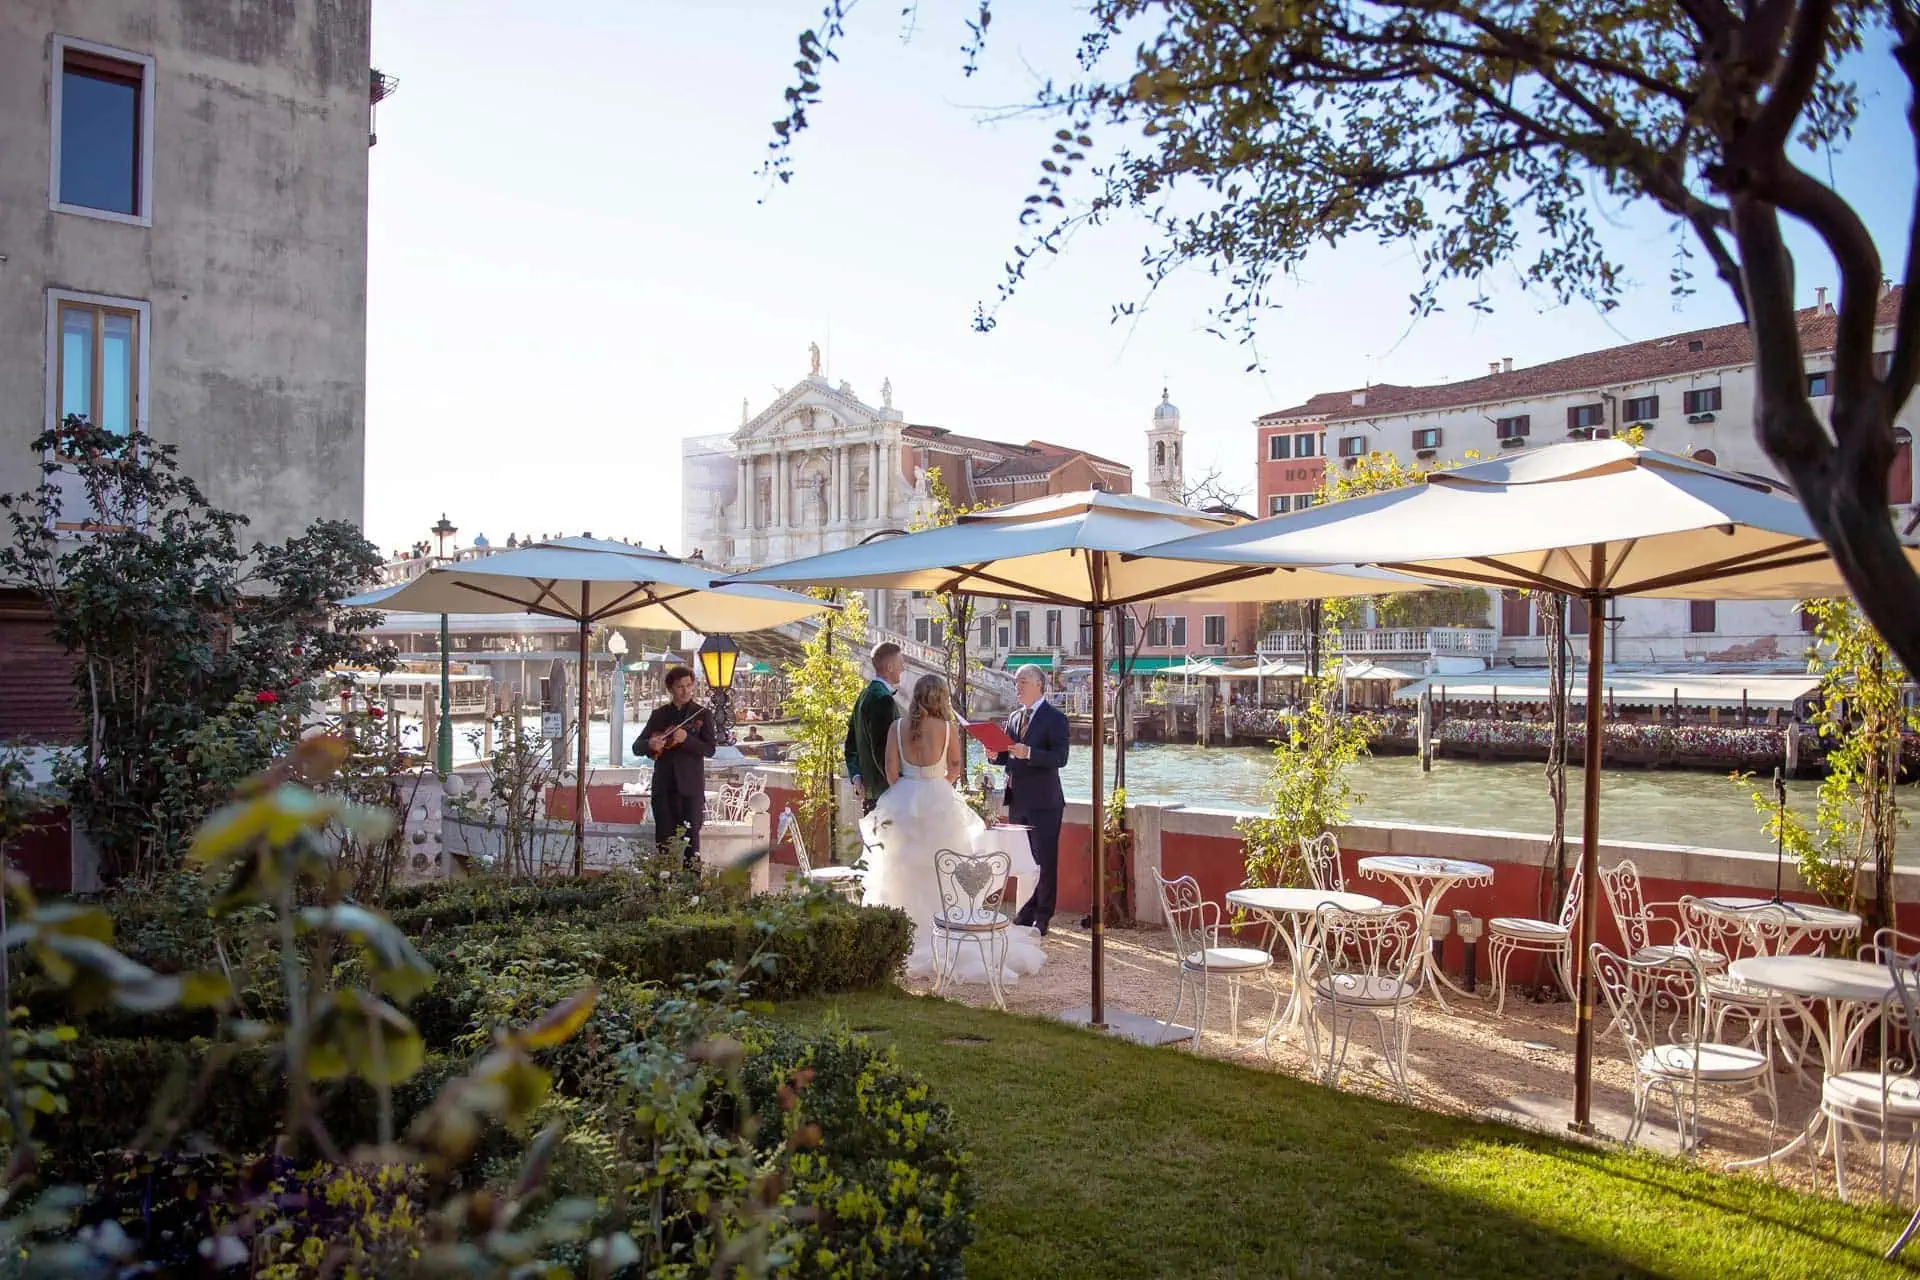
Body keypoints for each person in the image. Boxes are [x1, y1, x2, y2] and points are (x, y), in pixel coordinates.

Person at [859, 674, 1046, 985]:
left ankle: (896, 937)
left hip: (901, 800)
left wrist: (906, 790)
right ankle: (948, 932)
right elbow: (956, 768)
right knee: (945, 872)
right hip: (938, 800)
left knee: (898, 869)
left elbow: (890, 771)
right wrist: (936, 788)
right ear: (941, 698)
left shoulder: (896, 727)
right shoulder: (948, 728)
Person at [991, 665, 1070, 936]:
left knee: (1045, 861)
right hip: (1018, 800)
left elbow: (1060, 758)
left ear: (1038, 684)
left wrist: (1031, 753)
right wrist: (995, 754)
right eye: (1016, 682)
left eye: (1022, 681)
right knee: (1024, 860)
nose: (1017, 686)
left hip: (1045, 802)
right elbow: (1006, 755)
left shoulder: (1055, 718)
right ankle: (1025, 912)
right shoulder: (1013, 717)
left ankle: (1042, 917)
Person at [637, 665, 715, 866]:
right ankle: (664, 891)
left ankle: (692, 892)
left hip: (691, 789)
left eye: (689, 685)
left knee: (692, 846)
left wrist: (687, 739)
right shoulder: (659, 715)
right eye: (681, 687)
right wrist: (650, 744)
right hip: (664, 788)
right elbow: (637, 747)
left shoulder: (702, 715)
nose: (686, 691)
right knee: (664, 844)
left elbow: (709, 749)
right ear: (670, 689)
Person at [844, 641, 904, 815]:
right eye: (901, 663)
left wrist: (856, 777)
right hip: (886, 796)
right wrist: (901, 788)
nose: (904, 667)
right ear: (890, 667)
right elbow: (884, 753)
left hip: (870, 794)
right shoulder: (883, 700)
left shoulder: (864, 695)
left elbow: (851, 745)